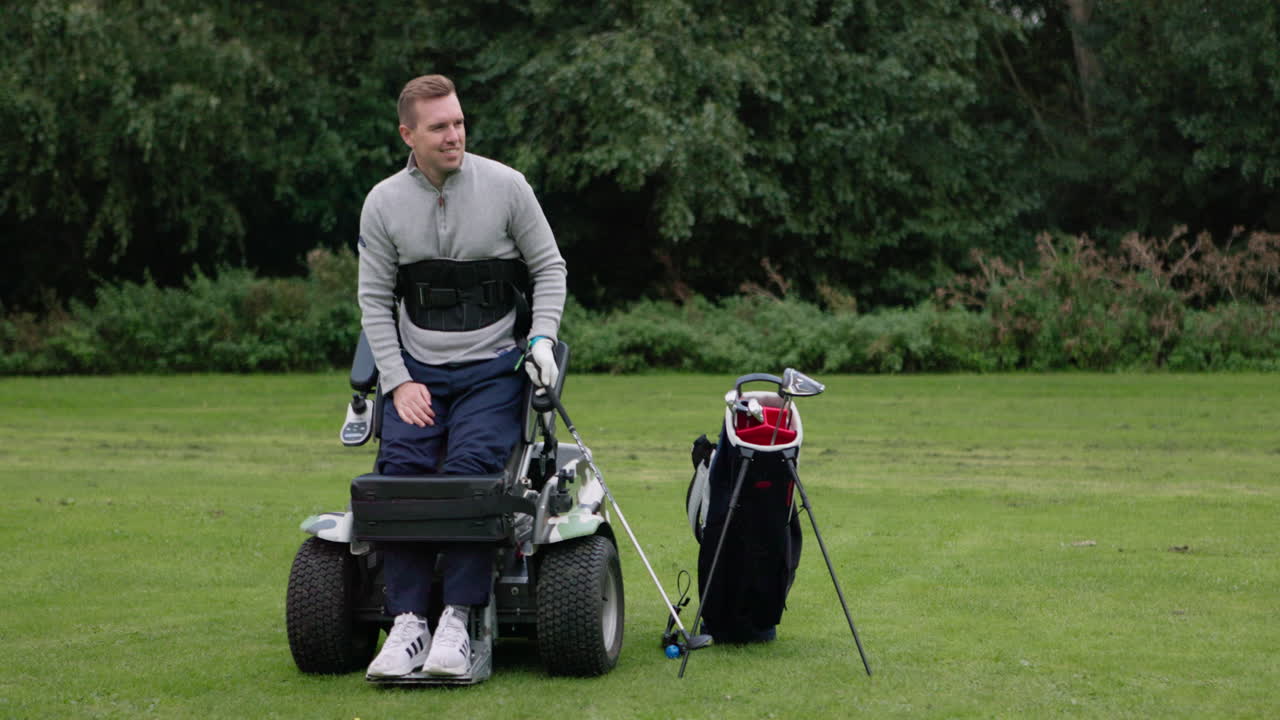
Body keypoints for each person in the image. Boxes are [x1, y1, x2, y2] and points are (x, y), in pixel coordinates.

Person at [355, 74, 567, 678]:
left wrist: (542, 336)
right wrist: (397, 381)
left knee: (472, 475)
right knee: (401, 476)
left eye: (459, 122)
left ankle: (460, 617)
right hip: (418, 371)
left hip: (492, 368)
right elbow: (373, 302)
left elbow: (550, 268)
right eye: (439, 126)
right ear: (408, 134)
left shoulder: (506, 187)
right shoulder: (383, 202)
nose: (455, 135)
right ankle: (407, 624)